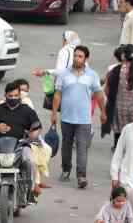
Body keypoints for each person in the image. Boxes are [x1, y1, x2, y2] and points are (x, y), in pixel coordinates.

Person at [51, 45, 106, 188]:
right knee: (66, 145)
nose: (76, 58)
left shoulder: (92, 75)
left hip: (84, 119)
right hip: (66, 118)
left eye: (80, 56)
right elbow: (58, 94)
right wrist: (53, 114)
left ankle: (81, 176)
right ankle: (66, 169)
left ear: (86, 59)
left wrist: (103, 112)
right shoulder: (64, 74)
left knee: (82, 147)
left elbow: (99, 95)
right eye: (75, 55)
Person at [104, 44, 133, 146]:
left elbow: (107, 91)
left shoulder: (116, 70)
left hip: (119, 110)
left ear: (123, 56)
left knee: (120, 140)